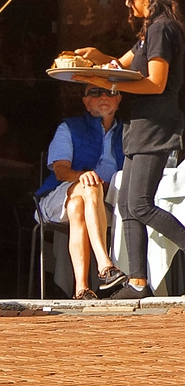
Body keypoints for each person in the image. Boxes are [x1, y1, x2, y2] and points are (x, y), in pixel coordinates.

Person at [75, 0, 185, 299]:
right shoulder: (149, 30)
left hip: (157, 125)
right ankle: (138, 282)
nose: (127, 4)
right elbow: (121, 65)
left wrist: (103, 82)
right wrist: (97, 61)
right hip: (140, 126)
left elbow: (156, 82)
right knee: (125, 204)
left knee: (139, 204)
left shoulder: (163, 29)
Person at [36, 86, 127, 300]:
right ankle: (105, 265)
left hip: (105, 202)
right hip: (59, 196)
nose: (104, 96)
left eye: (110, 92)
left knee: (79, 205)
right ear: (86, 101)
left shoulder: (128, 132)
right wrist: (82, 175)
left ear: (119, 99)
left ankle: (81, 289)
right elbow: (60, 171)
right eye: (95, 93)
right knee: (89, 186)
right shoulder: (69, 127)